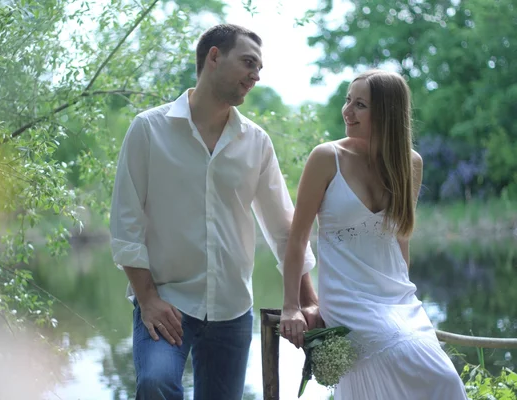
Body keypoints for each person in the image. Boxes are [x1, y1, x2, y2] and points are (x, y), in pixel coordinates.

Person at [109, 24, 320, 400]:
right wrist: (148, 300)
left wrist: (306, 301)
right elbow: (126, 224)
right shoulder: (148, 129)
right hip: (165, 300)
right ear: (214, 57)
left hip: (232, 309)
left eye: (259, 68)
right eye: (248, 63)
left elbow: (283, 228)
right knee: (155, 383)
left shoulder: (255, 142)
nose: (255, 75)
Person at [279, 70, 468, 399]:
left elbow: (401, 241)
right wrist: (292, 306)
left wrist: (403, 303)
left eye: (360, 105)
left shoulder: (410, 164)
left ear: (387, 113)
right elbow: (297, 239)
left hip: (397, 297)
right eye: (348, 100)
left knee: (445, 380)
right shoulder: (327, 158)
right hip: (348, 297)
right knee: (420, 364)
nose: (347, 111)